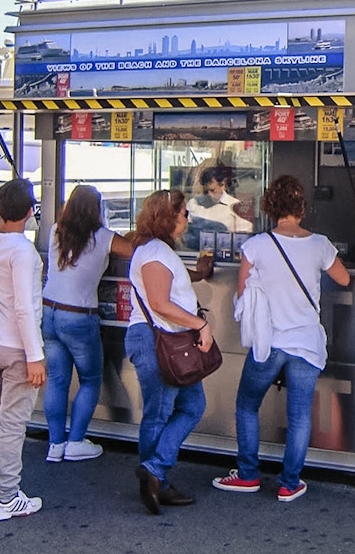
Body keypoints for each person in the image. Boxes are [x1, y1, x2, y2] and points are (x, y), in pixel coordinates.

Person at [212, 175, 349, 502]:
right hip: (304, 342)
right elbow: (343, 278)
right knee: (299, 414)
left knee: (247, 405)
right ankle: (289, 483)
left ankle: (247, 475)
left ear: (270, 208)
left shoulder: (257, 245)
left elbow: (243, 291)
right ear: (302, 207)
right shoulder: (320, 244)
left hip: (268, 341)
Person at [126, 189, 214, 515]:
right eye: (184, 213)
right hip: (156, 340)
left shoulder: (158, 251)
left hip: (164, 340)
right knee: (160, 413)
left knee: (192, 405)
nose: (187, 218)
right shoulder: (154, 253)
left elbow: (168, 284)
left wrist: (198, 275)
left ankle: (155, 471)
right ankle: (156, 478)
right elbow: (160, 303)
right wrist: (199, 324)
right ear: (169, 217)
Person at [41, 185, 133, 463]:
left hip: (49, 311)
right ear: (97, 209)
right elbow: (135, 250)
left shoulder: (57, 230)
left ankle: (55, 445)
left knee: (57, 380)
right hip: (79, 316)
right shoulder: (103, 237)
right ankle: (76, 441)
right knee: (91, 379)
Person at [0, 178, 46, 520]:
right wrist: (35, 355)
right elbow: (25, 308)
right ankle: (6, 495)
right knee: (14, 420)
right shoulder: (23, 252)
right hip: (17, 346)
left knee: (2, 413)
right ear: (31, 212)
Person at [185, 164, 253, 233]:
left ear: (222, 185)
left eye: (213, 190)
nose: (209, 195)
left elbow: (244, 235)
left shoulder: (235, 206)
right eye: (206, 191)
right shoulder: (193, 204)